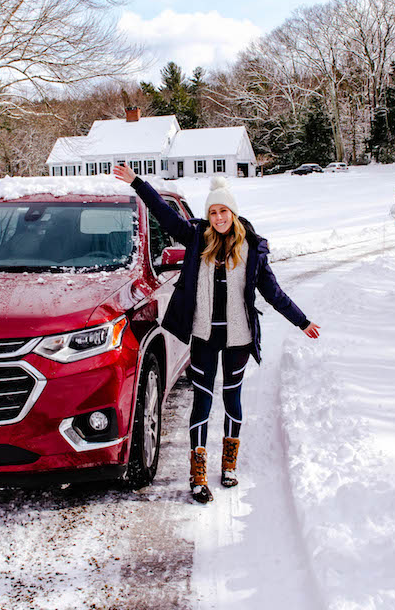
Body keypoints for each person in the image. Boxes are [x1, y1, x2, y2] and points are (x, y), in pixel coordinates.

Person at [113, 164, 320, 503]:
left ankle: (228, 466)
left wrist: (302, 321)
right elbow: (164, 214)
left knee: (232, 400)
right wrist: (138, 182)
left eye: (223, 211)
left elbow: (274, 293)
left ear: (233, 212)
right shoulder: (196, 238)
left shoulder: (251, 248)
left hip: (238, 338)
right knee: (202, 401)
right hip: (204, 337)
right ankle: (197, 475)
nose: (218, 217)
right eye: (213, 211)